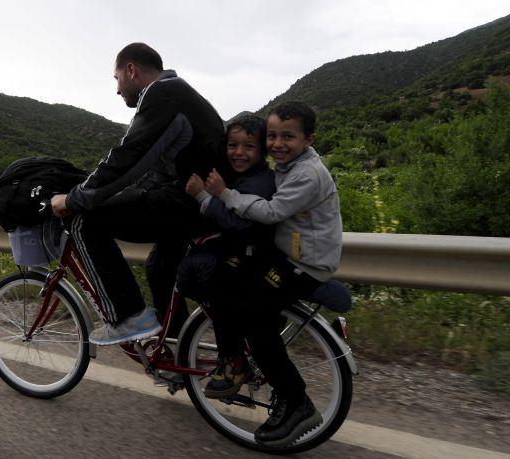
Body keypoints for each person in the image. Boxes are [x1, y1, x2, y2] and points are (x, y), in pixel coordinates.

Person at [50, 42, 224, 345]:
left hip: (189, 202)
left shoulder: (161, 93)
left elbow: (128, 158)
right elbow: (155, 169)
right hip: (202, 203)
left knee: (85, 221)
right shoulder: (179, 93)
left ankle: (128, 317)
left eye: (116, 78)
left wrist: (75, 198)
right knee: (160, 268)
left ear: (131, 71)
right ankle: (178, 348)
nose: (117, 89)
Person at [203, 101, 342, 446]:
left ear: (309, 138)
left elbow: (270, 211)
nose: (278, 144)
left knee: (255, 319)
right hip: (290, 256)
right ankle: (233, 362)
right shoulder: (290, 165)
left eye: (288, 137)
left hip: (304, 265)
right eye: (274, 136)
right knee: (225, 280)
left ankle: (296, 402)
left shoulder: (308, 174)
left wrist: (223, 194)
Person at [177, 112, 275, 398]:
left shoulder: (261, 181)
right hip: (244, 251)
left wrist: (204, 196)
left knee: (209, 276)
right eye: (233, 145)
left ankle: (233, 359)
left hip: (251, 256)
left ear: (262, 150)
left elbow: (240, 223)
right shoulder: (245, 175)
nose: (239, 152)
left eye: (248, 146)